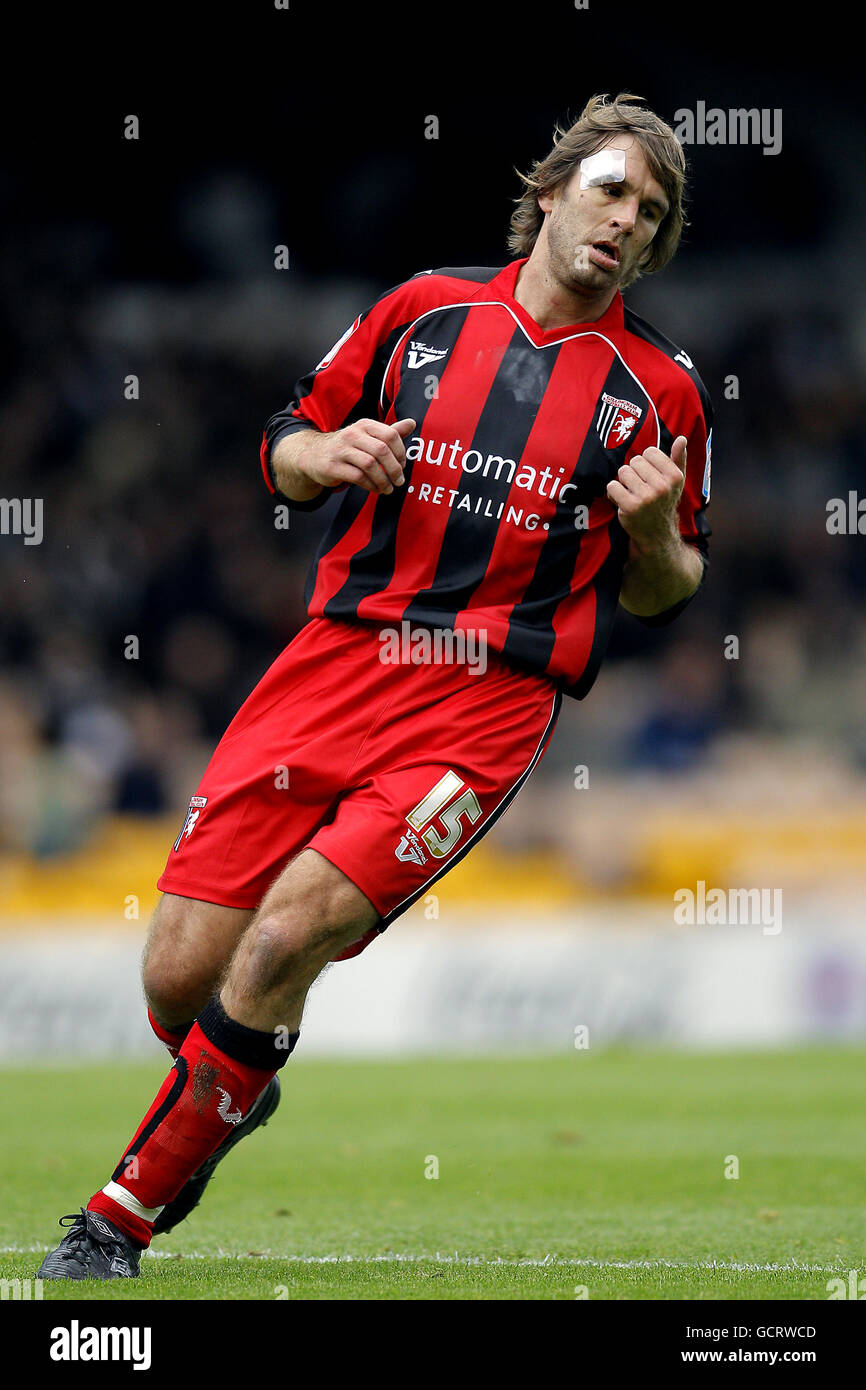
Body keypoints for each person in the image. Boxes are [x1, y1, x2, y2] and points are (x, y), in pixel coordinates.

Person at [38, 91, 712, 1279]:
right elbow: (285, 441)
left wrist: (654, 537)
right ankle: (234, 1083)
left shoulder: (659, 391)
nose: (626, 224)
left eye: (650, 215)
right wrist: (322, 455)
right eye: (609, 191)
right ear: (549, 193)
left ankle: (113, 1225)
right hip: (336, 664)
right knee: (180, 974)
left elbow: (665, 589)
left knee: (285, 936)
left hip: (482, 703)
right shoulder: (422, 310)